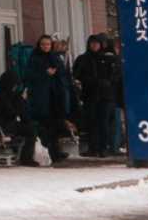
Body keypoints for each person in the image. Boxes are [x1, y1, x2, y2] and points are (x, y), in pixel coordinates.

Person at [18, 34, 76, 166]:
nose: (46, 47)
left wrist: (57, 76)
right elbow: (29, 76)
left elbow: (63, 74)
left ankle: (56, 151)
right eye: (43, 44)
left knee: (56, 125)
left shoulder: (55, 57)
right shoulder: (34, 59)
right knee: (44, 127)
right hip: (41, 99)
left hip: (55, 98)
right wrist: (45, 74)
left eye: (48, 44)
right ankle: (48, 152)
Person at [74, 34, 123, 156]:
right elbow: (77, 74)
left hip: (106, 96)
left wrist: (108, 82)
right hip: (90, 94)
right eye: (92, 43)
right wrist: (90, 81)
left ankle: (103, 148)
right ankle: (93, 148)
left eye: (97, 43)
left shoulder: (108, 58)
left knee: (104, 122)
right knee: (91, 122)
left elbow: (117, 74)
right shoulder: (83, 59)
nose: (94, 46)